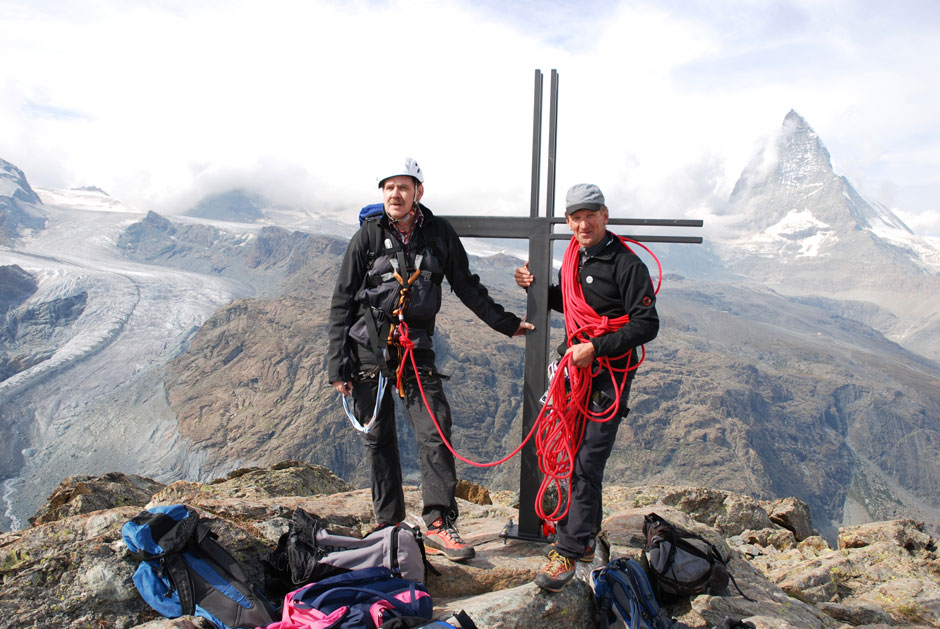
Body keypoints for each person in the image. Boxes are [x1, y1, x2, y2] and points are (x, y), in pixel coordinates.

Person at [328, 158, 534, 563]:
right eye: (388, 187)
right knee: (378, 439)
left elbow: (465, 285)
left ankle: (439, 523)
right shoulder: (367, 238)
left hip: (415, 350)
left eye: (403, 187)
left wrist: (505, 324)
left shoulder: (438, 234)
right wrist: (338, 365)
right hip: (369, 351)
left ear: (418, 191)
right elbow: (341, 302)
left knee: (435, 431)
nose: (395, 194)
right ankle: (389, 524)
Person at [514, 183, 659, 591]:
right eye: (575, 217)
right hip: (573, 373)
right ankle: (581, 534)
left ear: (604, 215)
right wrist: (533, 286)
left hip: (607, 378)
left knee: (586, 464)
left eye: (589, 215)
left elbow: (647, 324)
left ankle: (569, 551)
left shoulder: (627, 265)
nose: (582, 223)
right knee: (571, 456)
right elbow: (571, 302)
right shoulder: (575, 257)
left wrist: (595, 348)